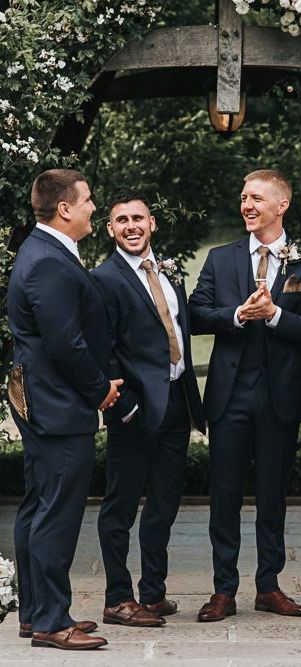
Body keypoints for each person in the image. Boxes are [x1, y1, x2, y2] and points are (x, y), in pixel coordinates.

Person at [189, 169, 301, 621]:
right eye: (243, 196)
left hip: (281, 398)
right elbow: (194, 314)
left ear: (281, 205)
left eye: (256, 198)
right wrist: (235, 314)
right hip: (230, 396)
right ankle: (223, 590)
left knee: (273, 497)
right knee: (224, 496)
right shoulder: (220, 258)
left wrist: (274, 317)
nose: (246, 205)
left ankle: (269, 586)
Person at [8, 169, 123, 650]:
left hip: (42, 397)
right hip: (56, 402)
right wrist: (100, 389)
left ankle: (36, 613)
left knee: (37, 505)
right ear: (65, 209)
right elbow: (65, 344)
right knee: (56, 512)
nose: (94, 207)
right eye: (89, 200)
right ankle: (54, 622)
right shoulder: (50, 262)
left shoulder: (44, 252)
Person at [92, 191, 206, 628]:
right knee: (120, 507)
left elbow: (179, 328)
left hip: (176, 402)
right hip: (133, 409)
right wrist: (125, 407)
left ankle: (153, 594)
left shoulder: (170, 268)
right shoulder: (103, 278)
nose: (131, 226)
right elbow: (104, 350)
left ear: (152, 223)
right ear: (110, 229)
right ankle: (117, 598)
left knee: (164, 504)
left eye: (138, 217)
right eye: (121, 220)